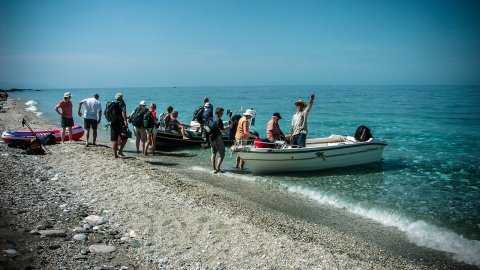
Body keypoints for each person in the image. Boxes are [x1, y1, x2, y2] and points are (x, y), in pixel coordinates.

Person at [206, 107, 230, 173]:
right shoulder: (219, 120)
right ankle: (218, 168)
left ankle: (214, 169)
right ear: (219, 112)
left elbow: (206, 127)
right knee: (222, 153)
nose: (222, 114)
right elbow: (221, 130)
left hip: (210, 137)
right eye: (222, 112)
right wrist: (229, 127)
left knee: (213, 153)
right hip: (217, 137)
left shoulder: (210, 118)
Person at [110, 92, 128, 158]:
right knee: (125, 138)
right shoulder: (122, 103)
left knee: (114, 139)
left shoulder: (112, 103)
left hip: (112, 122)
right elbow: (123, 113)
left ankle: (115, 155)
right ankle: (120, 151)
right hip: (120, 123)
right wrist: (125, 121)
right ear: (122, 98)